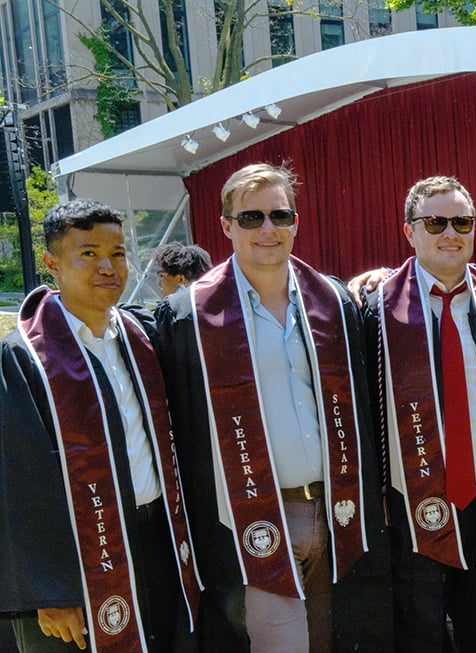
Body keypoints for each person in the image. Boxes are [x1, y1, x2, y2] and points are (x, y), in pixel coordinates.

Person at [154, 163, 390, 652]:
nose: (267, 229)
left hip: (332, 507)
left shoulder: (333, 300)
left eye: (279, 215)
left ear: (296, 222)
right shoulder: (190, 315)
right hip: (251, 513)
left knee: (327, 641)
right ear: (225, 226)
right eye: (250, 217)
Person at [0, 198, 201, 652]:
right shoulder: (24, 357)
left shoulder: (140, 336)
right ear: (51, 263)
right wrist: (50, 591)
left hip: (158, 542)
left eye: (117, 253)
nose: (107, 266)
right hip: (82, 557)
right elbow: (19, 485)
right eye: (88, 253)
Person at [361, 176, 476, 652]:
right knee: (424, 636)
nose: (450, 233)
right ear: (409, 232)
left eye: (461, 221)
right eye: (435, 222)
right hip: (412, 506)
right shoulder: (375, 307)